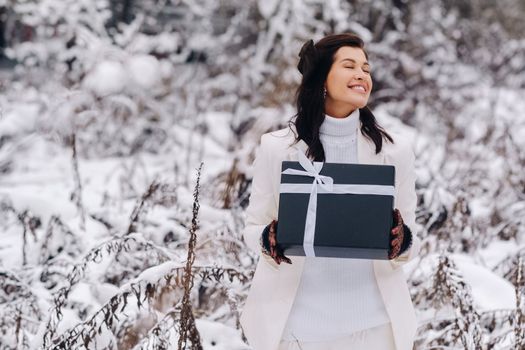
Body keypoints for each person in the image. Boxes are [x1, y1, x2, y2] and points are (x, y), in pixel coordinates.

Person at [240, 33, 420, 350]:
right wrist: (267, 238)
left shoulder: (395, 152)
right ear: (323, 78)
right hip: (296, 328)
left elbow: (411, 233)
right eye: (349, 66)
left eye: (366, 68)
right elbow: (253, 226)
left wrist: (402, 239)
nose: (362, 75)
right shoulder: (278, 149)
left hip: (373, 328)